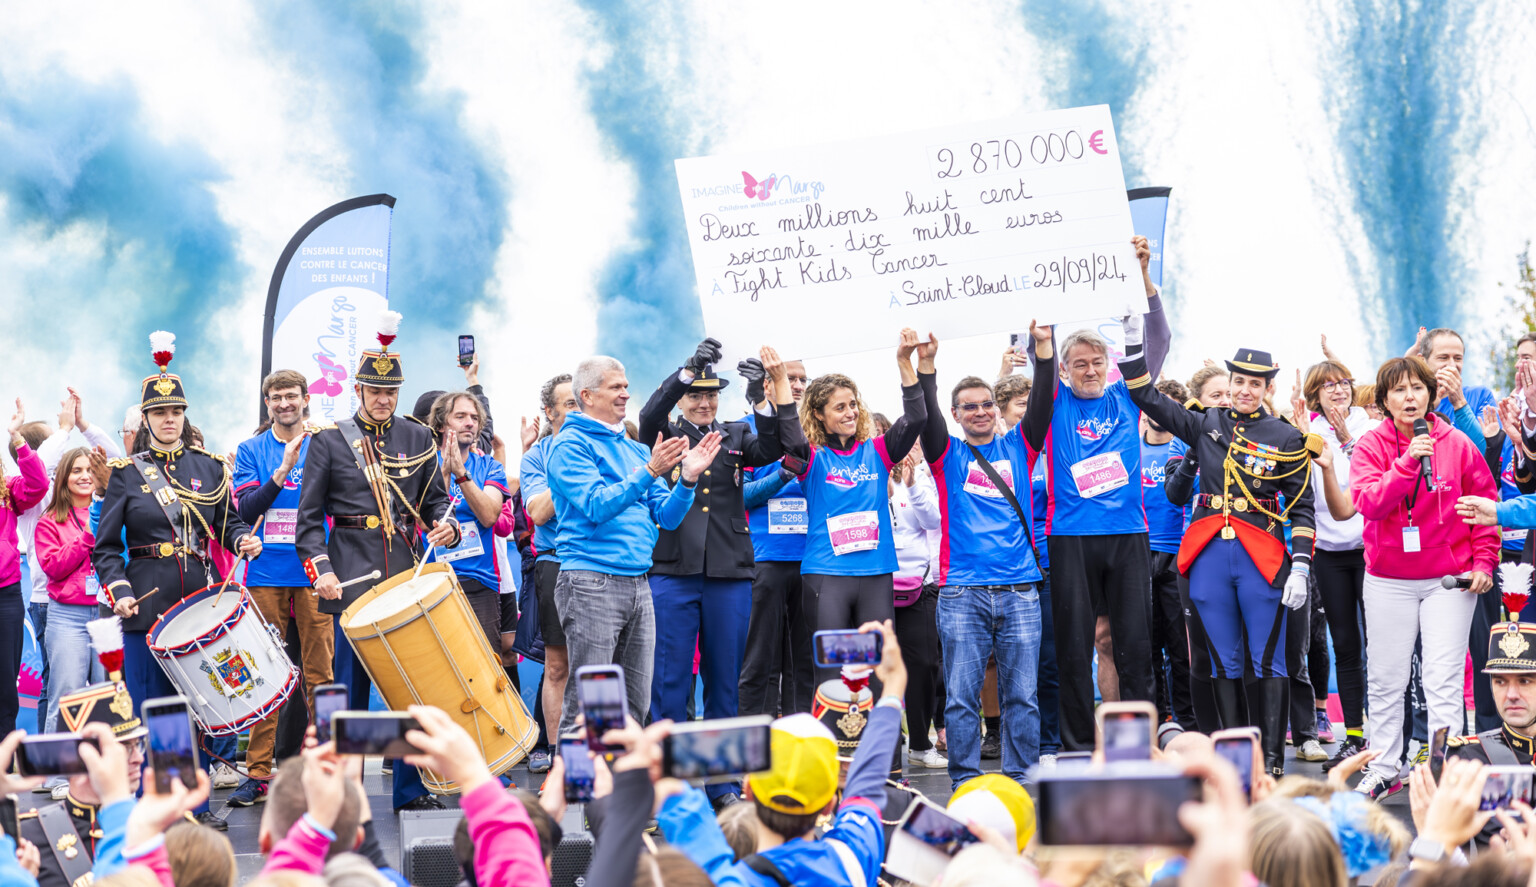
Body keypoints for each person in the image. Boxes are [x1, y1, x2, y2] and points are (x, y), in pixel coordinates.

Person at [1116, 345, 1318, 778]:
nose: (1244, 391)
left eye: (1254, 384)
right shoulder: (1206, 422)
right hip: (1207, 550)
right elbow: (1147, 397)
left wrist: (1300, 564)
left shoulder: (1287, 437)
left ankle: (1274, 760)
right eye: (1239, 383)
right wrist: (1136, 341)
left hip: (1260, 553)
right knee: (1222, 661)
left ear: (1268, 388)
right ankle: (1235, 755)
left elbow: (1302, 508)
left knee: (1270, 661)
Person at [91, 333, 259, 829]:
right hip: (146, 607)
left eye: (176, 411)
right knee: (153, 714)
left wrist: (244, 537)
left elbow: (227, 523)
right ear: (146, 419)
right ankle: (159, 810)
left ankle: (197, 806)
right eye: (160, 413)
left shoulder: (208, 468)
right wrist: (119, 591)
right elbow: (105, 549)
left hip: (199, 605)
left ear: (185, 415)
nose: (169, 419)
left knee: (201, 708)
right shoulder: (125, 474)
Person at [293, 313, 459, 812]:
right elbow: (307, 521)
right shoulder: (327, 441)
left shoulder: (417, 438)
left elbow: (433, 504)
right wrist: (321, 570)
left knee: (412, 689)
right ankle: (340, 796)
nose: (383, 399)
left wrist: (443, 527)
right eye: (374, 390)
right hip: (350, 576)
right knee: (346, 695)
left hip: (405, 574)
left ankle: (409, 792)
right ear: (359, 389)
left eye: (390, 391)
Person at [637, 341, 799, 807]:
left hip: (728, 570)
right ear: (685, 399)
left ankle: (722, 785)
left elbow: (778, 446)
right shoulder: (665, 434)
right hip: (673, 569)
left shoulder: (734, 434)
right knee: (668, 684)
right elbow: (649, 417)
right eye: (696, 396)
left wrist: (760, 398)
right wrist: (686, 371)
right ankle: (671, 783)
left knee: (725, 683)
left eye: (712, 397)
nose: (705, 404)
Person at [1025, 236, 1170, 752]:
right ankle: (1077, 747)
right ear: (1065, 370)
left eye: (1096, 362)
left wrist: (1145, 279)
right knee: (1072, 649)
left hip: (1128, 535)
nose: (1089, 370)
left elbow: (1156, 343)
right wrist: (1041, 335)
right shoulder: (1054, 401)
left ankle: (1136, 745)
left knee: (1133, 646)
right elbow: (1039, 364)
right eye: (1079, 363)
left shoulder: (1124, 397)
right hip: (1072, 540)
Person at [657, 619, 905, 887]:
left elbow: (694, 830)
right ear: (829, 805)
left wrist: (664, 779)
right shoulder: (853, 858)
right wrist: (893, 686)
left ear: (748, 790)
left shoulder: (724, 880)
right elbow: (865, 784)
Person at [1350, 356, 1498, 799]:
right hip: (1388, 578)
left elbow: (1484, 508)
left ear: (1431, 396)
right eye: (1398, 390)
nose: (1409, 397)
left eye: (1417, 388)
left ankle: (1442, 765)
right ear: (1384, 399)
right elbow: (1368, 503)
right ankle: (1384, 765)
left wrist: (1484, 563)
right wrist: (1407, 464)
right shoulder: (1371, 445)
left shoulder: (1457, 444)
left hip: (1447, 580)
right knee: (1386, 676)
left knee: (1443, 676)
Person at [547, 354, 718, 736]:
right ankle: (577, 794)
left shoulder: (636, 449)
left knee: (634, 706)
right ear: (588, 395)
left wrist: (687, 480)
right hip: (591, 580)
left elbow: (668, 517)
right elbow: (596, 505)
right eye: (616, 387)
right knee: (592, 705)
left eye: (626, 386)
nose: (626, 393)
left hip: (639, 582)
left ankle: (619, 794)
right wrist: (650, 472)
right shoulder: (569, 445)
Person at [918, 323, 1051, 786]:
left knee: (1024, 697)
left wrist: (1044, 350)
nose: (979, 412)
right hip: (962, 593)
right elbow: (924, 415)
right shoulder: (946, 455)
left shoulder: (1021, 446)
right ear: (956, 415)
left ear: (996, 409)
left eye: (986, 404)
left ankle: (1020, 783)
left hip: (1019, 591)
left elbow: (1044, 399)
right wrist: (926, 368)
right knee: (960, 698)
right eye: (968, 407)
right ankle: (965, 784)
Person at [229, 370, 335, 807]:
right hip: (266, 574)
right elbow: (249, 505)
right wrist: (284, 469)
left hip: (314, 570)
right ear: (267, 402)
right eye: (276, 397)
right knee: (263, 675)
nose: (284, 403)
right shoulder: (251, 449)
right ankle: (257, 773)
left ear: (306, 399)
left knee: (321, 675)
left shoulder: (326, 444)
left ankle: (327, 765)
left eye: (292, 396)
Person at [791, 329, 928, 654]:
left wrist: (903, 361)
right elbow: (787, 432)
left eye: (853, 404)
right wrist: (781, 383)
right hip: (827, 576)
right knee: (834, 670)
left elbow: (916, 417)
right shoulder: (811, 455)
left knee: (878, 667)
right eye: (839, 407)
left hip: (876, 576)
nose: (850, 412)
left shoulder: (878, 451)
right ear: (818, 415)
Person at [1295, 359, 1377, 770]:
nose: (1338, 390)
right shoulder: (1306, 431)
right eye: (1328, 385)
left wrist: (1348, 438)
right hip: (1328, 552)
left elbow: (1374, 479)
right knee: (1344, 645)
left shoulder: (1368, 423)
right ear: (1315, 394)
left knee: (1380, 645)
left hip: (1371, 550)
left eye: (1343, 382)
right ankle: (1355, 737)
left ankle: (1386, 734)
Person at [738, 358, 815, 719]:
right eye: (789, 378)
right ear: (766, 386)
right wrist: (783, 475)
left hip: (812, 561)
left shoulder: (816, 431)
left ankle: (805, 742)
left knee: (806, 662)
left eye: (802, 379)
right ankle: (759, 746)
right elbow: (741, 496)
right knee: (761, 660)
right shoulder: (746, 430)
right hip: (764, 558)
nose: (797, 385)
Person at [19, 681, 148, 887]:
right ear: (79, 757)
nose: (139, 759)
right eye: (123, 748)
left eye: (138, 745)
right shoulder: (28, 837)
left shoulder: (165, 826)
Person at [517, 372, 575, 773]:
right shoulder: (537, 456)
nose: (578, 409)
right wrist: (571, 465)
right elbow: (537, 512)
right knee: (557, 666)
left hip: (603, 563)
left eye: (582, 401)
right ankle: (557, 758)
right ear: (549, 412)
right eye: (570, 404)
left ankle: (599, 758)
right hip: (555, 561)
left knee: (603, 667)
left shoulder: (611, 446)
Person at [426, 390, 509, 652]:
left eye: (474, 417)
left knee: (485, 668)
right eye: (460, 416)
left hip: (480, 582)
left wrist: (461, 474)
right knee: (441, 671)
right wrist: (444, 472)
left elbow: (488, 516)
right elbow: (422, 519)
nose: (469, 422)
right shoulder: (423, 465)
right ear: (441, 425)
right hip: (433, 583)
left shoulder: (490, 467)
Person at [34, 448, 105, 733]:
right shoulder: (50, 520)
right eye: (76, 471)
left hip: (107, 613)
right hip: (66, 617)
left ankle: (109, 772)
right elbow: (54, 566)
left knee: (110, 695)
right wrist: (88, 537)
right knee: (66, 697)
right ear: (63, 478)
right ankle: (58, 776)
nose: (85, 476)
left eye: (90, 470)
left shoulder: (112, 511)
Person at [1141, 378, 1196, 730]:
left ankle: (1188, 721)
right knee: (1147, 647)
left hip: (1180, 555)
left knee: (1181, 648)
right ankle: (1157, 720)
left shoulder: (1188, 447)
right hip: (1139, 556)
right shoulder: (1130, 447)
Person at [886, 440, 943, 770]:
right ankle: (886, 745)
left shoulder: (921, 479)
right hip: (875, 583)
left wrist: (911, 482)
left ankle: (920, 743)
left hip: (918, 584)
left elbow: (932, 521)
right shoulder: (873, 477)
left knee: (924, 664)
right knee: (876, 668)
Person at [2, 401, 49, 738]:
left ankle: (3, 772)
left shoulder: (7, 490)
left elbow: (39, 485)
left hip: (6, 596)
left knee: (5, 687)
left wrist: (18, 439)